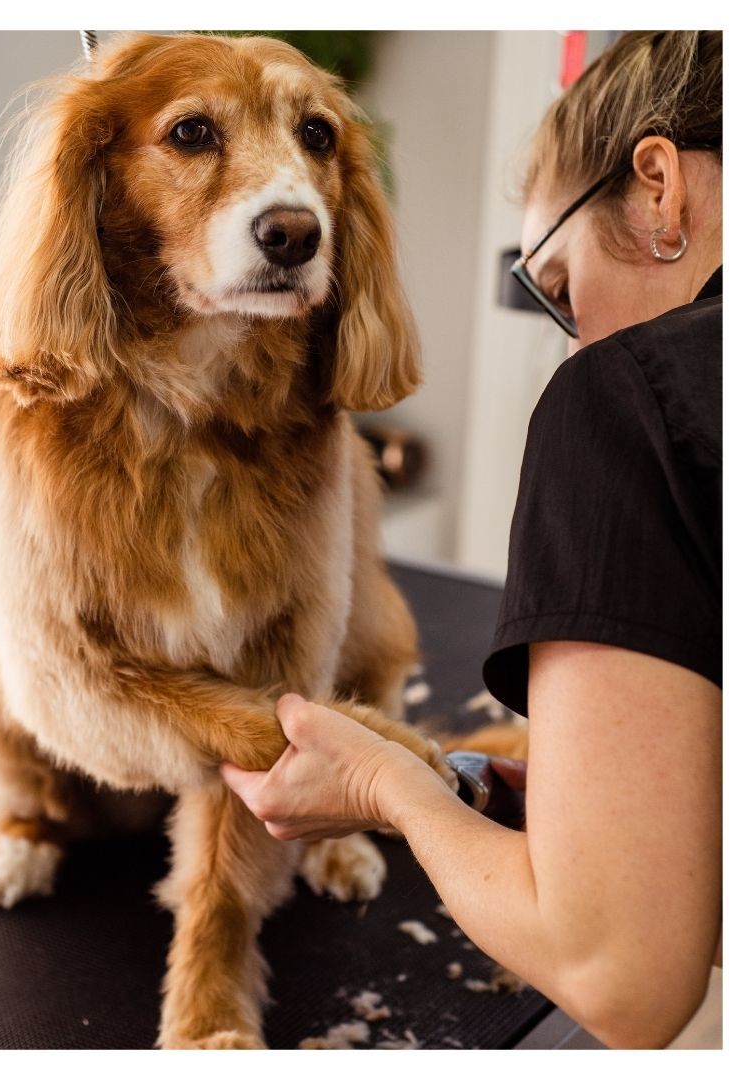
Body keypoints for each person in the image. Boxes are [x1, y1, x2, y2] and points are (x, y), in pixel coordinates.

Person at [220, 30, 722, 1050]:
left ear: (660, 188)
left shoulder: (627, 396)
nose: (575, 339)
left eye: (555, 285)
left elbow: (623, 980)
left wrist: (386, 788)